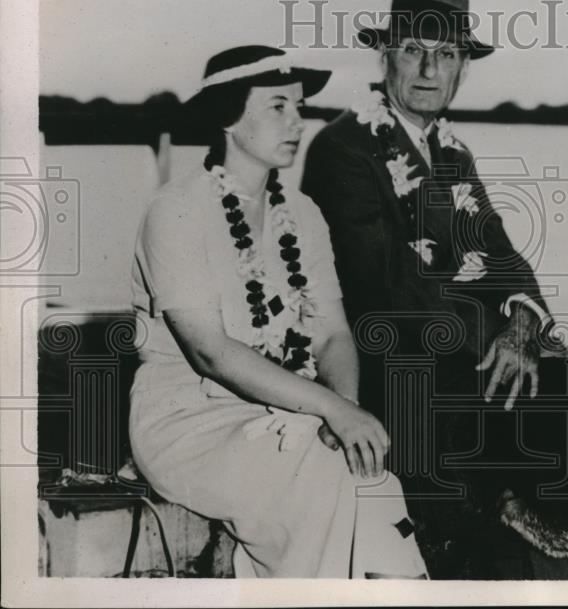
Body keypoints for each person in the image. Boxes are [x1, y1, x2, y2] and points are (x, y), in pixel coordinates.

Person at [301, 0, 568, 578]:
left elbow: (503, 256)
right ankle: (486, 545)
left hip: (466, 352)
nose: (430, 70)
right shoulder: (343, 147)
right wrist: (495, 338)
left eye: (447, 54)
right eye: (414, 50)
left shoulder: (453, 154)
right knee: (472, 443)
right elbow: (383, 285)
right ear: (386, 57)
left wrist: (521, 324)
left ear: (463, 68)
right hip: (392, 363)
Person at [128, 45, 427, 578]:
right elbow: (211, 352)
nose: (298, 122)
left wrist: (344, 408)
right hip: (189, 423)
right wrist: (330, 413)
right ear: (228, 117)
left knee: (372, 478)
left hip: (286, 412)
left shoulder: (304, 214)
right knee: (325, 473)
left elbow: (333, 334)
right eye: (277, 107)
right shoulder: (175, 210)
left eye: (299, 106)